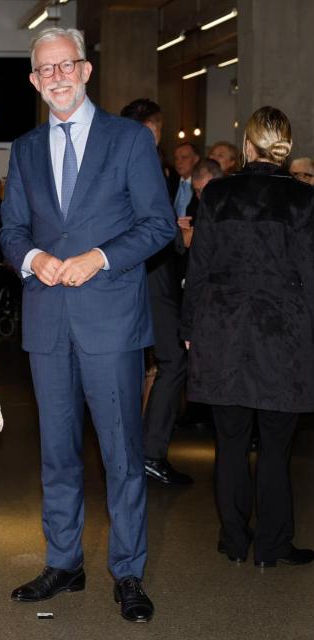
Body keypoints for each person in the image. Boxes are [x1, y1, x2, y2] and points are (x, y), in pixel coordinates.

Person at [0, 28, 175, 622]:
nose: (57, 77)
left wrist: (98, 257)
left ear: (86, 69)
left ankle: (128, 572)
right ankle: (64, 563)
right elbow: (11, 231)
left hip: (111, 321)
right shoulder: (23, 149)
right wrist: (34, 260)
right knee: (57, 454)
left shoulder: (128, 141)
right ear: (33, 80)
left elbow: (158, 226)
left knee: (123, 454)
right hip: (48, 323)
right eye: (44, 70)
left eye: (65, 66)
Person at [181, 106, 314, 568]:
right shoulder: (303, 201)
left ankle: (235, 540)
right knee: (277, 447)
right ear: (285, 146)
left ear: (248, 144)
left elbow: (198, 268)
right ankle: (273, 546)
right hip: (284, 334)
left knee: (231, 442)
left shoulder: (217, 194)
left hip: (223, 330)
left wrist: (189, 328)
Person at [121, 99, 192, 486]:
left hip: (127, 280)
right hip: (154, 278)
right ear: (151, 128)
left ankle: (132, 453)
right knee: (172, 362)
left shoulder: (112, 160)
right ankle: (150, 453)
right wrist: (179, 235)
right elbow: (154, 229)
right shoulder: (145, 162)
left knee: (134, 365)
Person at [171, 142, 200, 218]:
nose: (179, 162)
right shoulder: (170, 183)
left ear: (196, 159)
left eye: (184, 157)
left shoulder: (202, 185)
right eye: (176, 158)